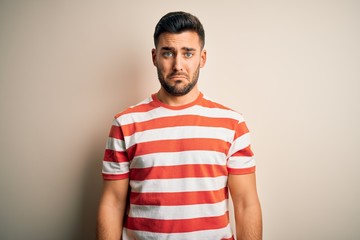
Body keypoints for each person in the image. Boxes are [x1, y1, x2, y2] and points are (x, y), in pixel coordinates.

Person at [97, 11, 262, 240]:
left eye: (188, 53)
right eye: (168, 53)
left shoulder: (232, 124)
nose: (178, 65)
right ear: (154, 57)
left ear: (202, 58)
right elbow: (112, 204)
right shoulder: (125, 124)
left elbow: (246, 204)